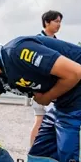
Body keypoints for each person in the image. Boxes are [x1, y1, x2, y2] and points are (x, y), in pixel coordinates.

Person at [30, 10, 63, 146]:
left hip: (54, 88)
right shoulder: (37, 41)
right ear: (46, 22)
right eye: (56, 21)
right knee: (40, 120)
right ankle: (32, 150)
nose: (59, 25)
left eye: (60, 22)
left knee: (52, 122)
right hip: (39, 87)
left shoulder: (58, 43)